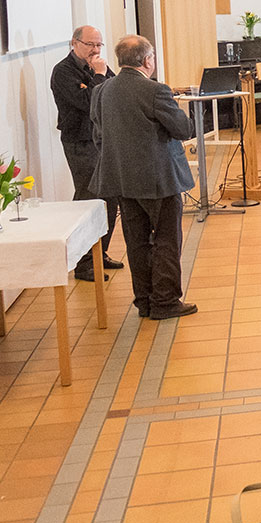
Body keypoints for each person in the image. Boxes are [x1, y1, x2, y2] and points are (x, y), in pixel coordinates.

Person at [89, 35, 195, 320]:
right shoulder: (155, 91)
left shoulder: (101, 91)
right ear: (147, 60)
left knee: (136, 242)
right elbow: (183, 129)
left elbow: (98, 136)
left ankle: (145, 301)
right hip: (159, 180)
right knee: (166, 240)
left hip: (122, 180)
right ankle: (166, 301)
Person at [50, 25, 121, 282]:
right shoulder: (63, 71)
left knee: (110, 197)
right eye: (90, 44)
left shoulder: (98, 66)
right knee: (89, 197)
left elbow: (114, 91)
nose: (95, 49)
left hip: (102, 139)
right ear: (75, 43)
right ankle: (83, 263)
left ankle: (100, 254)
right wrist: (99, 76)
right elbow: (88, 101)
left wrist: (99, 75)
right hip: (79, 142)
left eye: (99, 44)